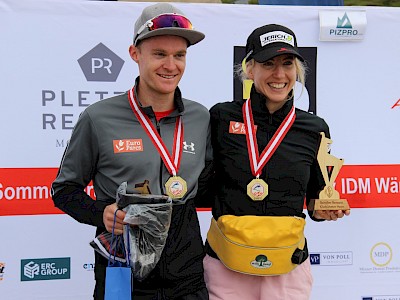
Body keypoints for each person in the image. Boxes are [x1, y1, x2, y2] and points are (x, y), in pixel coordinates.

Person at [51, 3, 211, 299]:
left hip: (186, 273)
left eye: (179, 55)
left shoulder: (200, 118)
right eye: (159, 54)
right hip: (123, 270)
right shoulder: (99, 118)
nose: (171, 65)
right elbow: (64, 190)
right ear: (135, 54)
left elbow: (214, 186)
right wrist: (102, 212)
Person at [202, 24, 350, 300]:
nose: (279, 74)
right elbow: (201, 185)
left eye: (287, 63)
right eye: (268, 63)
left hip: (287, 265)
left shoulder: (313, 127)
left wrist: (323, 208)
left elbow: (316, 198)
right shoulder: (221, 118)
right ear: (249, 69)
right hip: (226, 262)